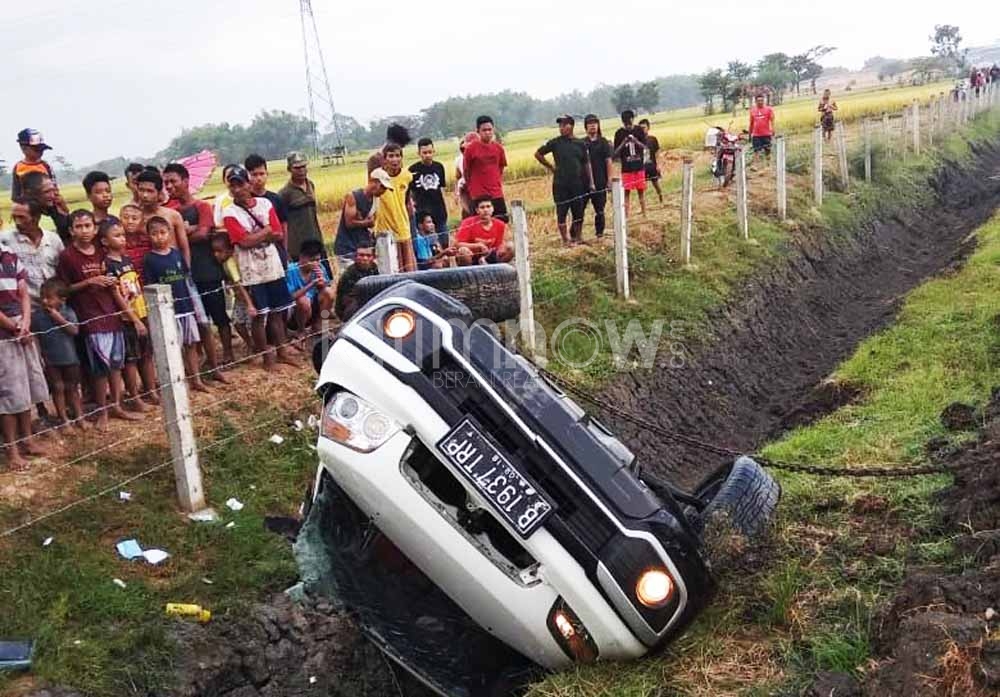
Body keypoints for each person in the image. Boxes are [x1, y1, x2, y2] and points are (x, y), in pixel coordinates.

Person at [56, 210, 138, 430]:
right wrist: (89, 282)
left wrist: (110, 283)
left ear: (94, 228)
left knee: (115, 364)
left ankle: (118, 405)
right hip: (89, 317)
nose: (84, 231)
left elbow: (112, 279)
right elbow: (64, 289)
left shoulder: (102, 252)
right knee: (100, 368)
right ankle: (103, 411)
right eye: (79, 227)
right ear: (71, 230)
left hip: (111, 312)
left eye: (88, 226)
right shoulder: (67, 256)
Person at [221, 166, 297, 369]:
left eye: (240, 184)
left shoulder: (265, 203)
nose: (237, 189)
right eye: (233, 185)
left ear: (248, 184)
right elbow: (243, 241)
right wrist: (265, 232)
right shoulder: (229, 212)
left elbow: (278, 233)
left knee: (277, 312)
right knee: (259, 315)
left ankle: (282, 351)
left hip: (271, 265)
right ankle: (267, 357)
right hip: (250, 270)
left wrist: (257, 235)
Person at [164, 163, 230, 382]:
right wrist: (188, 231)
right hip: (184, 272)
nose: (170, 186)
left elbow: (203, 233)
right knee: (195, 319)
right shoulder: (169, 210)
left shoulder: (201, 206)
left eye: (173, 181)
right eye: (166, 182)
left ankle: (228, 353)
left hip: (207, 268)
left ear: (185, 181)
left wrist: (180, 234)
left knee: (218, 314)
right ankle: (203, 356)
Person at [143, 217, 209, 393]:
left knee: (191, 344)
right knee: (173, 347)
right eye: (154, 234)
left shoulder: (176, 254)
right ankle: (179, 380)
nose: (159, 237)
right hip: (168, 312)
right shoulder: (149, 259)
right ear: (149, 236)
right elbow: (151, 287)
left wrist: (194, 306)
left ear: (169, 234)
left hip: (186, 307)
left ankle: (196, 378)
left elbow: (186, 280)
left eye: (163, 233)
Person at [0, 237, 49, 471]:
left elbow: (24, 293)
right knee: (9, 392)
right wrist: (14, 327)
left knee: (27, 386)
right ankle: (12, 449)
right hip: (4, 334)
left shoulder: (8, 254)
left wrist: (26, 321)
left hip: (21, 326)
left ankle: (27, 440)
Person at [99, 219, 158, 408]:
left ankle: (151, 391)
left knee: (147, 353)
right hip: (126, 318)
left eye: (123, 235)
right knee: (131, 358)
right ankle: (135, 396)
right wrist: (134, 319)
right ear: (104, 242)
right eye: (116, 236)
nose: (122, 239)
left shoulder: (126, 260)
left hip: (141, 312)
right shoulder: (107, 265)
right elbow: (116, 295)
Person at [32, 278, 85, 430]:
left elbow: (74, 331)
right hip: (50, 360)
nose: (44, 300)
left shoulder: (68, 312)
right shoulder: (38, 316)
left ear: (62, 299)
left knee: (73, 388)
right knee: (57, 388)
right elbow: (35, 335)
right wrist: (40, 356)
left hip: (70, 358)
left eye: (49, 297)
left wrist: (58, 318)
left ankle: (79, 416)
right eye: (42, 296)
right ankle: (64, 419)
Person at [536, 115, 594, 245]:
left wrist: (591, 182)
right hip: (560, 184)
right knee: (562, 211)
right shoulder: (555, 142)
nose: (561, 128)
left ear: (571, 126)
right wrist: (551, 167)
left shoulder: (580, 144)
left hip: (577, 183)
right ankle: (565, 240)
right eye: (560, 126)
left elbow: (586, 164)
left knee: (578, 211)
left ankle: (578, 237)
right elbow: (538, 154)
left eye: (564, 125)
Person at [0, 199, 65, 307]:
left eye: (22, 217)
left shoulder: (53, 239)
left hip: (55, 305)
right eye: (14, 217)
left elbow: (62, 270)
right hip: (25, 308)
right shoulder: (5, 240)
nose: (17, 222)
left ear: (36, 217)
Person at [211, 233, 256, 360]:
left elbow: (238, 284)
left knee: (249, 323)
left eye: (220, 251)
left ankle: (254, 345)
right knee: (237, 322)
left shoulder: (230, 264)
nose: (216, 254)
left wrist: (249, 304)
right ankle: (250, 343)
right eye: (214, 251)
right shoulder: (225, 263)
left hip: (245, 297)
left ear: (230, 250)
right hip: (239, 297)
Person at [373, 145, 417, 273]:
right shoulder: (378, 176)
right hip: (385, 229)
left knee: (408, 268)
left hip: (403, 227)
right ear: (384, 159)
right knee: (392, 269)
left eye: (397, 156)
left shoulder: (407, 176)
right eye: (391, 156)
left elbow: (407, 200)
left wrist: (410, 219)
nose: (394, 159)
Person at [135, 169, 191, 268]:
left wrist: (187, 270)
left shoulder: (173, 215)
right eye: (141, 190)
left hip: (175, 269)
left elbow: (184, 248)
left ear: (159, 193)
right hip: (150, 271)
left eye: (150, 191)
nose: (144, 195)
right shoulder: (135, 219)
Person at [334, 169, 389, 269]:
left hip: (363, 247)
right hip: (347, 247)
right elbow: (349, 223)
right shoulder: (353, 196)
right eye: (382, 187)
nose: (383, 191)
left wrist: (363, 222)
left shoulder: (376, 200)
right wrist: (366, 222)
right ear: (373, 182)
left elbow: (372, 222)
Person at [277, 152, 325, 262]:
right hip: (298, 247)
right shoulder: (285, 193)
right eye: (297, 168)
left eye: (304, 167)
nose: (301, 171)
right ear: (289, 169)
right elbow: (282, 223)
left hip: (316, 241)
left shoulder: (311, 185)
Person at [286, 239, 335, 337]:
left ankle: (320, 323)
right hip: (296, 312)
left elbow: (325, 288)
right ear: (302, 257)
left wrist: (322, 283)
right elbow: (290, 297)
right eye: (312, 260)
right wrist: (311, 284)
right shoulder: (291, 270)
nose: (315, 263)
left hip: (313, 307)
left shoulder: (319, 267)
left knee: (329, 293)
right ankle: (301, 330)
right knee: (303, 301)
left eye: (317, 260)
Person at [464, 116, 509, 221]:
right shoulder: (470, 149)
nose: (488, 132)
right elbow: (467, 171)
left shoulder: (498, 148)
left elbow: (501, 167)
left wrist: (496, 181)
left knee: (501, 222)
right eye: (484, 130)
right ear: (478, 131)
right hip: (478, 195)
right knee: (480, 225)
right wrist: (472, 188)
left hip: (496, 193)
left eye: (490, 129)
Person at [449, 198, 514, 266]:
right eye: (482, 207)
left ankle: (499, 270)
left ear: (493, 209)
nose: (485, 210)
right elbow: (457, 245)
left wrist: (489, 254)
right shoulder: (468, 222)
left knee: (511, 247)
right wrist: (478, 246)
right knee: (463, 251)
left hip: (491, 257)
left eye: (488, 206)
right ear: (477, 210)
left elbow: (500, 246)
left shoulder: (500, 224)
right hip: (472, 257)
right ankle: (468, 274)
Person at [408, 138, 449, 246]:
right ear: (419, 153)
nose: (427, 155)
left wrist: (446, 207)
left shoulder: (439, 167)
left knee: (444, 240)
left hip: (439, 209)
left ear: (434, 152)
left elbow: (442, 188)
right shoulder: (412, 170)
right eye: (424, 153)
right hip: (422, 210)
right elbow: (410, 193)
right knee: (427, 243)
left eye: (430, 152)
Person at [582, 115, 613, 239]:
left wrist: (609, 179)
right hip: (584, 183)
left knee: (600, 210)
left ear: (598, 125)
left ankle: (599, 235)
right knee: (579, 210)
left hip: (601, 180)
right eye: (589, 123)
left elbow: (608, 161)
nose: (592, 125)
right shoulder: (582, 143)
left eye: (595, 123)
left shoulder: (603, 142)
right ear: (586, 127)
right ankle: (576, 236)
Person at [613, 110, 648, 216]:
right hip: (627, 168)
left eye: (629, 123)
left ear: (633, 119)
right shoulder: (619, 133)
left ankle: (644, 213)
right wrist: (624, 143)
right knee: (626, 193)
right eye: (626, 124)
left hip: (639, 166)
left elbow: (645, 147)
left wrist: (636, 141)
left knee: (641, 192)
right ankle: (627, 215)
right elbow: (615, 152)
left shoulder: (639, 130)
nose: (628, 126)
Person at [11, 129, 60, 205]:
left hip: (49, 204)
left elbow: (55, 188)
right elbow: (15, 194)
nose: (41, 152)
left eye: (42, 149)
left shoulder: (46, 165)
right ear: (23, 148)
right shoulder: (18, 167)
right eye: (37, 149)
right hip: (29, 206)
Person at [19, 172, 71, 241]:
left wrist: (65, 214)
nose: (52, 196)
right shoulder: (23, 214)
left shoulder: (55, 207)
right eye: (47, 192)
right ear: (30, 193)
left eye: (53, 190)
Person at [334, 246, 379, 322]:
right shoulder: (349, 273)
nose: (365, 258)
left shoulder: (375, 268)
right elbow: (345, 300)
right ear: (355, 257)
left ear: (373, 257)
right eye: (361, 255)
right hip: (351, 307)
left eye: (368, 256)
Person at [120, 203, 151, 284]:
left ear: (142, 221)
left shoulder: (149, 241)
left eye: (134, 218)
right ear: (120, 220)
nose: (130, 222)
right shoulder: (117, 245)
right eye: (126, 218)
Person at [638, 119, 663, 205]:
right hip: (641, 167)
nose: (642, 129)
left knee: (656, 183)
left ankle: (661, 198)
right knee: (642, 188)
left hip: (652, 166)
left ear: (648, 128)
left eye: (644, 127)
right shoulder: (637, 141)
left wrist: (658, 165)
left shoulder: (653, 139)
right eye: (640, 128)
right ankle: (644, 206)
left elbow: (657, 152)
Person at [748, 94, 775, 166]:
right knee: (756, 151)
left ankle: (768, 165)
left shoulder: (769, 109)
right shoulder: (752, 111)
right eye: (758, 101)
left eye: (761, 100)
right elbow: (751, 123)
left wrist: (773, 129)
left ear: (764, 100)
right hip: (756, 134)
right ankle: (755, 165)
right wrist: (749, 134)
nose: (760, 102)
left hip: (766, 134)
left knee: (768, 150)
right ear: (755, 101)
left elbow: (772, 121)